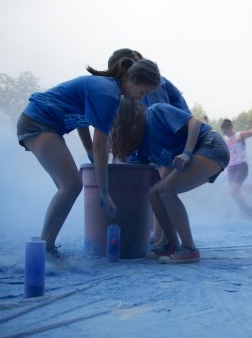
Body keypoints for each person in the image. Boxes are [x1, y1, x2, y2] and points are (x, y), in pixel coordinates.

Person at [17, 58, 161, 257]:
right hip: (38, 121)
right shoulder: (108, 93)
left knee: (67, 186)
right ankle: (44, 248)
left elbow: (81, 120)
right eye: (143, 92)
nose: (140, 98)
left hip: (40, 122)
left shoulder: (106, 87)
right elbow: (100, 145)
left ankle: (45, 246)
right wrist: (104, 191)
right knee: (71, 185)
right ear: (133, 79)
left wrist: (87, 150)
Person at [112, 100, 229, 264]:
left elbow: (194, 122)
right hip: (200, 154)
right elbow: (144, 172)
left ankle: (189, 248)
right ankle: (171, 245)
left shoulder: (155, 112)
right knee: (154, 194)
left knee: (166, 190)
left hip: (211, 146)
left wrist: (187, 152)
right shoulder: (141, 144)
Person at [107, 48, 191, 250]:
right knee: (153, 184)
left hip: (174, 137)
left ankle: (163, 239)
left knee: (162, 184)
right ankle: (157, 236)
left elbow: (163, 121)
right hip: (160, 139)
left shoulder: (154, 86)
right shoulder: (136, 89)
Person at [221, 116, 252, 219]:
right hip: (231, 168)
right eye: (224, 132)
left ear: (230, 128)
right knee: (234, 194)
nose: (225, 133)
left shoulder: (240, 135)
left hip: (241, 167)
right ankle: (247, 211)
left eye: (226, 131)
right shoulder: (225, 139)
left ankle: (248, 210)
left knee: (233, 191)